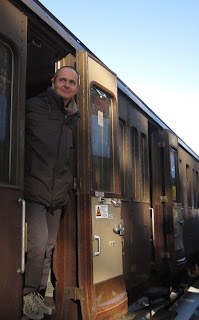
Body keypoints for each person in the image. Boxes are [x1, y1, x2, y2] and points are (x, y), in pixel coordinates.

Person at [23, 66, 80, 320]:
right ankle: (27, 297)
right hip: (35, 188)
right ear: (53, 82)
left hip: (57, 195)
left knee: (48, 247)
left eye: (72, 82)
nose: (67, 85)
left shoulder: (73, 116)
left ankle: (38, 294)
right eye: (63, 80)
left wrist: (67, 184)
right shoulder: (33, 106)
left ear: (76, 88)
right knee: (36, 247)